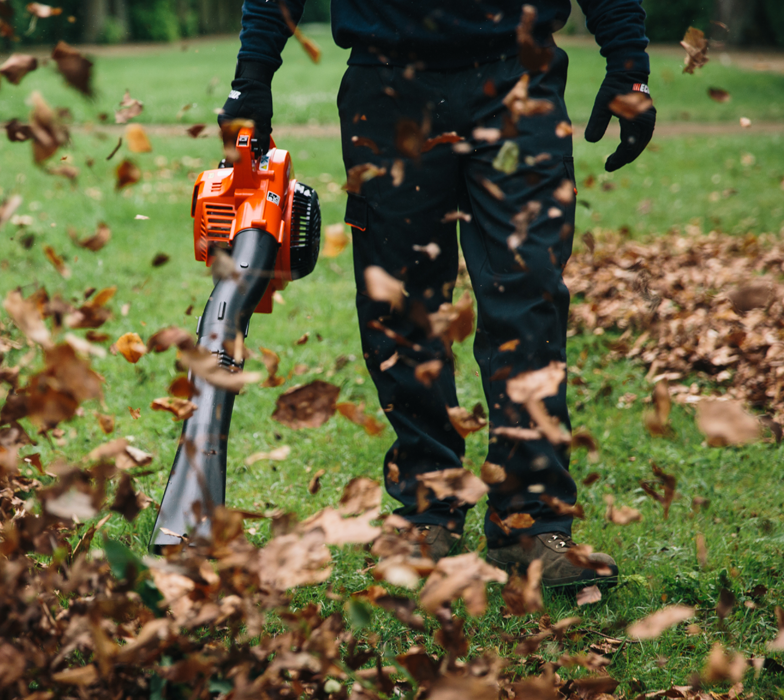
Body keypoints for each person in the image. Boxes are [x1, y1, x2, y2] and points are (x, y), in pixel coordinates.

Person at [218, 1, 656, 590]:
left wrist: (628, 63)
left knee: (528, 298)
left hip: (517, 82)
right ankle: (427, 508)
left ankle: (531, 524)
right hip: (388, 85)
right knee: (400, 308)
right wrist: (252, 77)